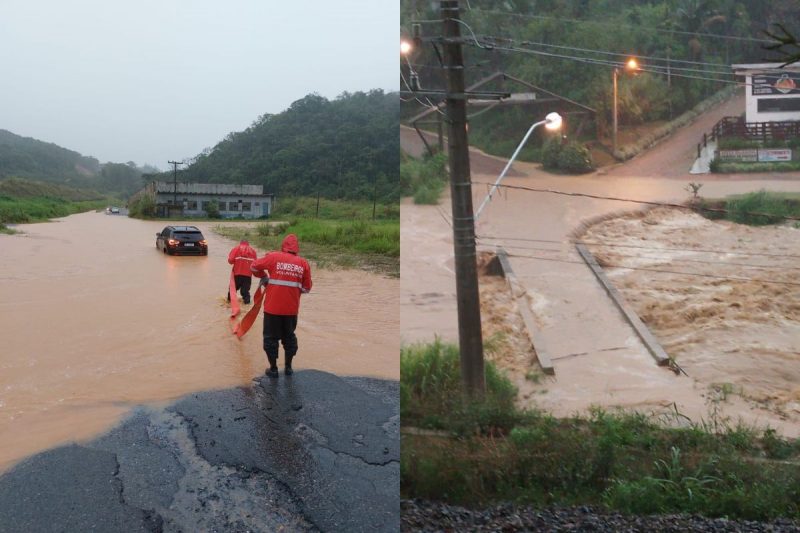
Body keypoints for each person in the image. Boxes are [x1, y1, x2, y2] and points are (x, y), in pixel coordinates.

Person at [250, 234, 312, 378]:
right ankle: (289, 368)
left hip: (272, 309)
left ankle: (273, 369)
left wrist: (264, 277)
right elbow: (307, 288)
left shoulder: (273, 257)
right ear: (297, 248)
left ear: (283, 245)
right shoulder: (303, 263)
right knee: (289, 337)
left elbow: (253, 266)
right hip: (291, 310)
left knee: (271, 339)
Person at [227, 239, 257, 305]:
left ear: (240, 243)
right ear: (248, 243)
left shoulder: (236, 249)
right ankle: (247, 305)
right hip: (248, 276)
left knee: (232, 291)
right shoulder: (253, 251)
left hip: (237, 274)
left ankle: (228, 305)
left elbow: (230, 261)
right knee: (245, 292)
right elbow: (255, 264)